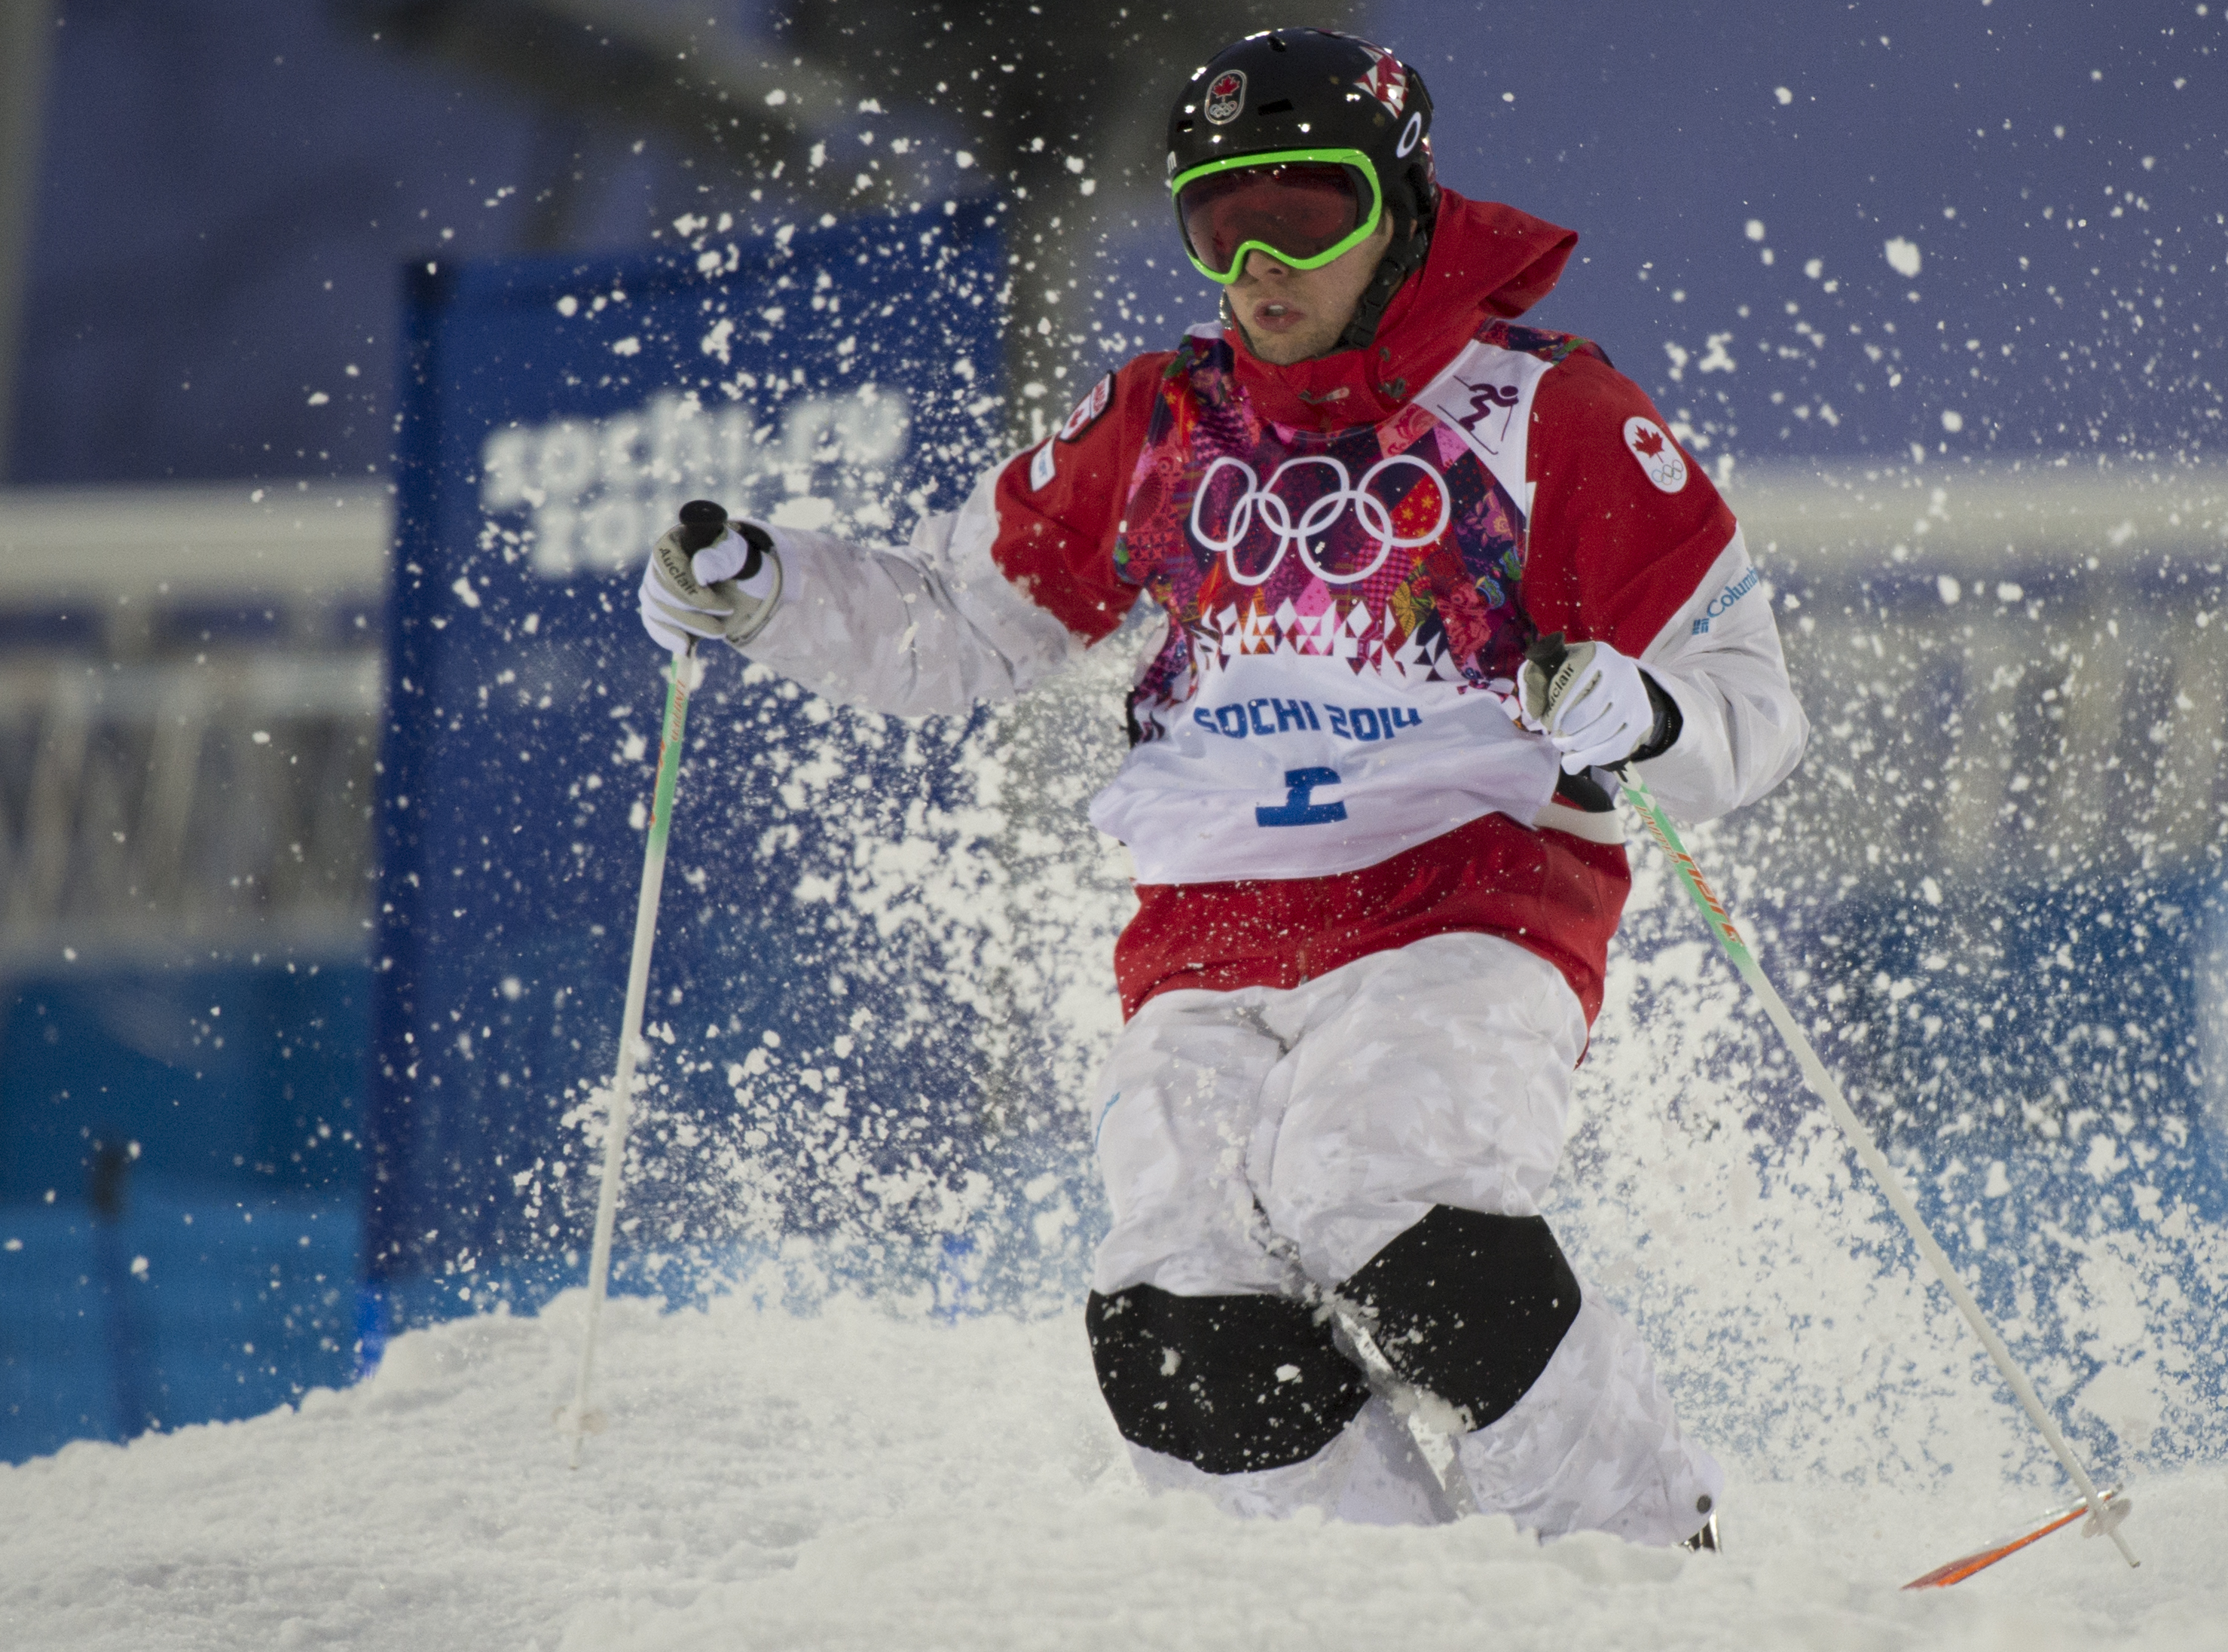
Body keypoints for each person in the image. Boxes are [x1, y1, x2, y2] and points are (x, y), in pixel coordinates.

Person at [637, 27, 1804, 1547]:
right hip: (1207, 932)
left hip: (1466, 894)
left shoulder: (1547, 413)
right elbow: (958, 625)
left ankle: (1645, 1558)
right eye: (1212, 219)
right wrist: (764, 592)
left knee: (1372, 1184)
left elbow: (1751, 704)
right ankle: (1354, 1601)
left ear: (1396, 204)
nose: (1258, 262)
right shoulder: (1160, 422)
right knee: (1172, 1308)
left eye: (1305, 212)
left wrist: (1637, 706)